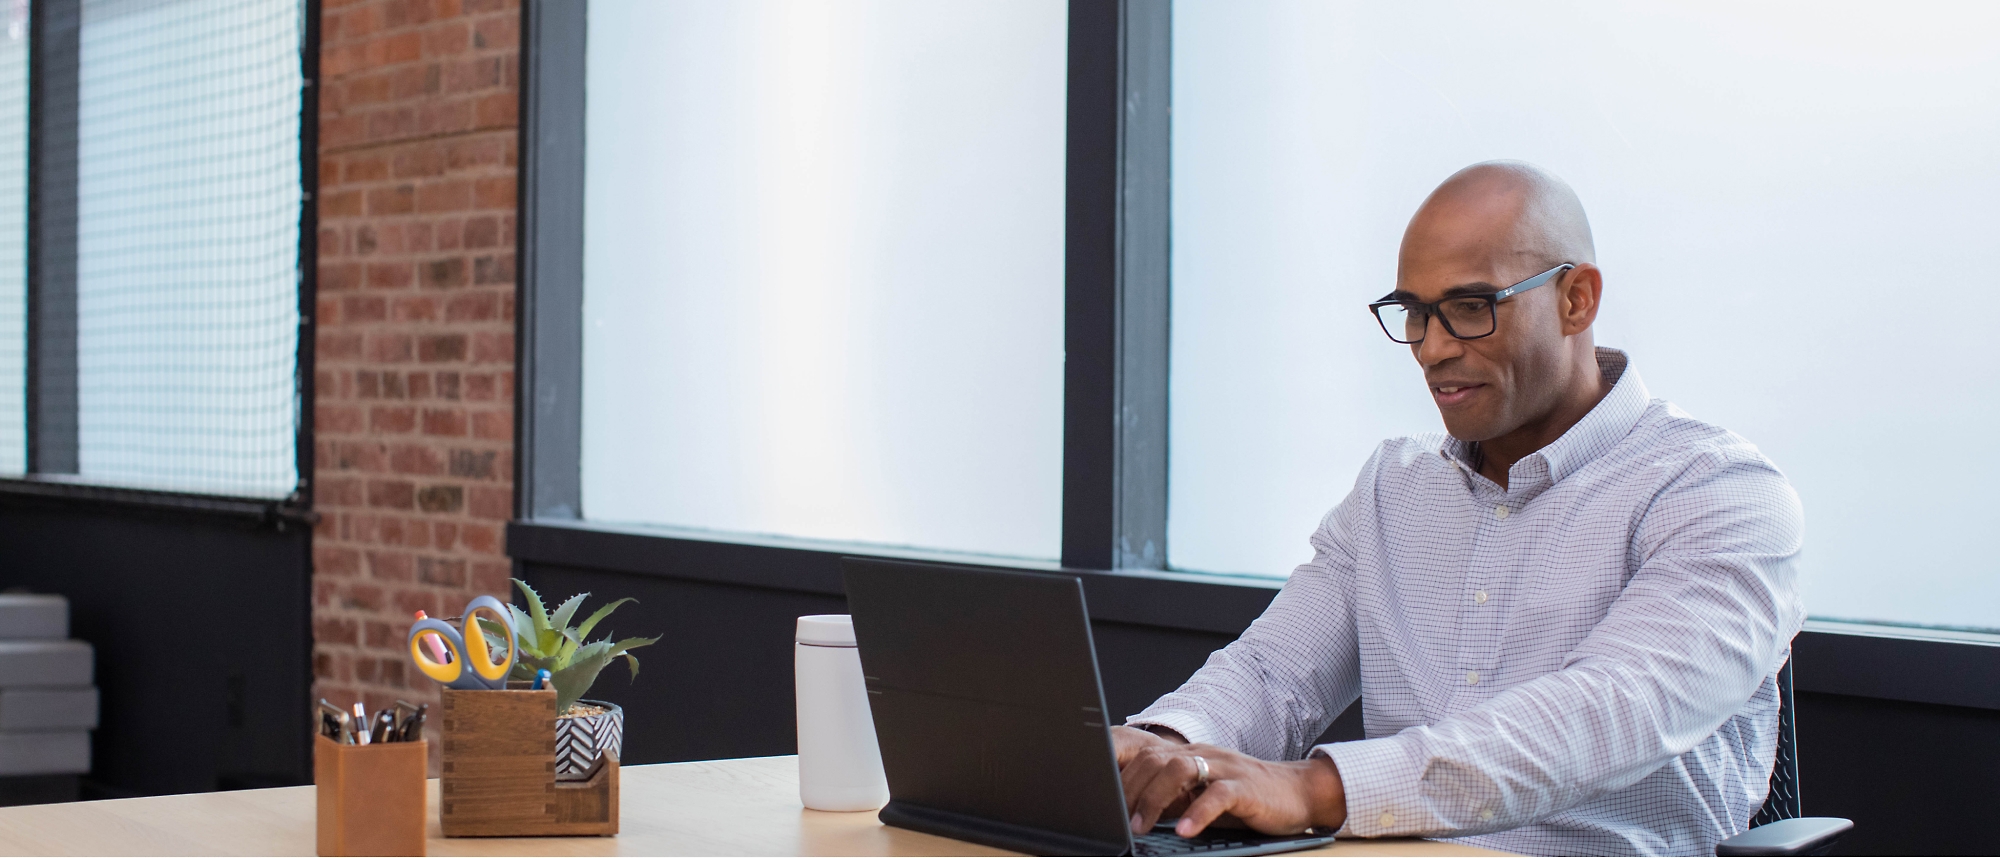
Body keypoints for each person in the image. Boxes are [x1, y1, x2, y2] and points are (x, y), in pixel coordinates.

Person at [1115, 161, 1803, 856]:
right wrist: (1163, 751)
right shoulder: (1394, 486)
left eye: (1472, 308)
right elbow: (1274, 673)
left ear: (1577, 300)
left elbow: (1610, 711)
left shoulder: (1720, 493)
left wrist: (1317, 791)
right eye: (1414, 313)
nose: (1433, 349)